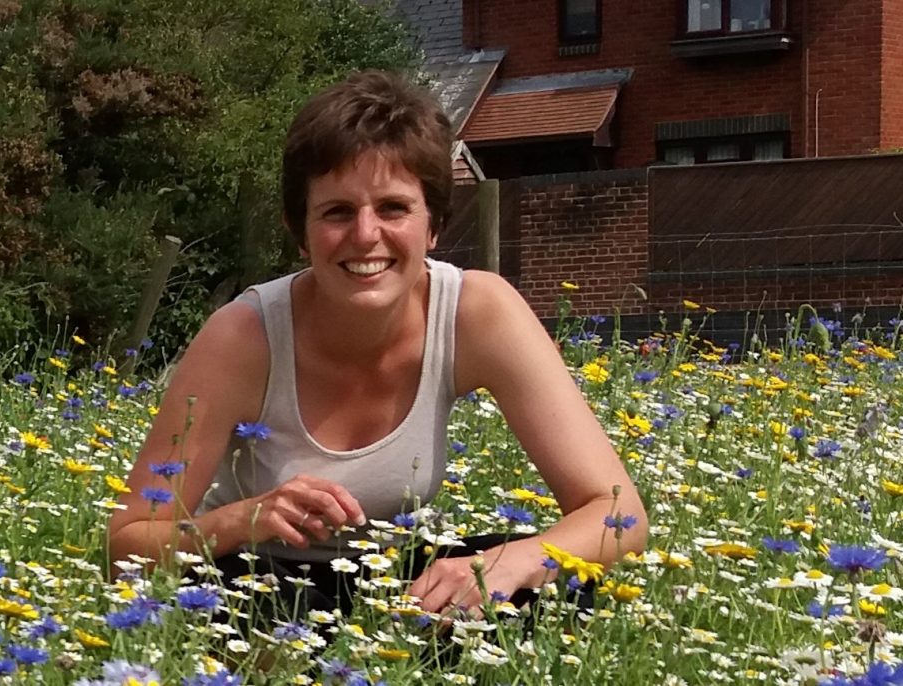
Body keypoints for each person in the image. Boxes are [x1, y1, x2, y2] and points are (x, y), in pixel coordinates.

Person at [107, 69, 647, 618]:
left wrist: (512, 563)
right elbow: (126, 542)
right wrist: (240, 519)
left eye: (393, 208)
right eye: (337, 211)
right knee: (250, 617)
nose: (366, 235)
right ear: (300, 232)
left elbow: (617, 509)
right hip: (254, 577)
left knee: (560, 585)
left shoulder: (478, 311)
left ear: (433, 225)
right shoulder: (243, 336)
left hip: (391, 578)